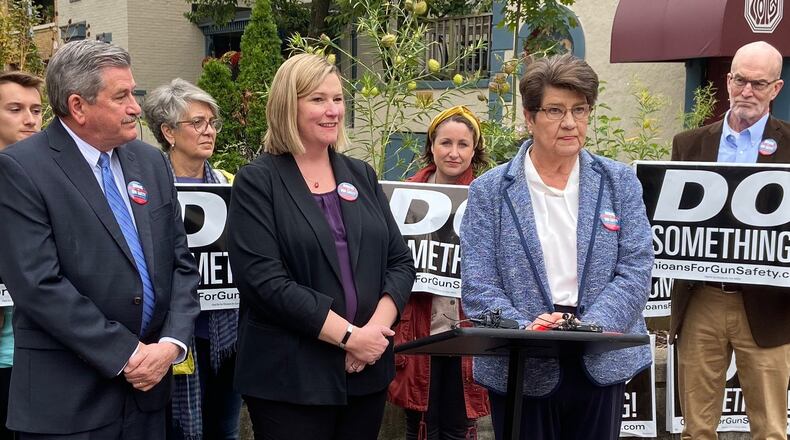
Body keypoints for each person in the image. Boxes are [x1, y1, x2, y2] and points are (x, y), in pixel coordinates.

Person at [0, 40, 201, 439]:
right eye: (122, 96)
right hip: (68, 405)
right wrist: (128, 354)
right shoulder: (21, 169)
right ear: (78, 106)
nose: (136, 108)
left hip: (148, 395)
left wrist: (170, 344)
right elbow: (38, 284)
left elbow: (180, 263)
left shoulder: (150, 162)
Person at [460, 53, 653, 440]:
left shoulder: (618, 182)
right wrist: (526, 331)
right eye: (555, 110)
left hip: (600, 360)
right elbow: (478, 284)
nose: (570, 123)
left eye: (579, 110)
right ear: (529, 117)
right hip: (520, 364)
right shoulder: (490, 191)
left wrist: (591, 328)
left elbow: (636, 268)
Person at [227, 53, 416, 440]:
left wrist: (371, 335)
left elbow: (400, 263)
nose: (333, 110)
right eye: (318, 99)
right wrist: (349, 337)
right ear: (288, 105)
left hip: (366, 373)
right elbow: (264, 282)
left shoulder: (360, 174)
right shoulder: (258, 182)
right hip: (291, 380)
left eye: (338, 99)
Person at [670, 41, 790, 440]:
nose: (746, 91)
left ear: (776, 89)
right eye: (740, 80)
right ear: (727, 81)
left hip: (769, 306)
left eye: (759, 83)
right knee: (696, 430)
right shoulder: (688, 144)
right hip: (702, 298)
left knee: (770, 430)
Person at [142, 78, 241, 440]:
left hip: (226, 335)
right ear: (168, 132)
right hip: (170, 336)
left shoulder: (230, 183)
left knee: (225, 430)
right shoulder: (147, 190)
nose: (208, 131)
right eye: (197, 122)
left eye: (212, 123)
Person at [388, 105, 490, 440]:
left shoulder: (487, 196)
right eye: (446, 142)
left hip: (466, 330)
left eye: (463, 144)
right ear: (431, 146)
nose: (453, 152)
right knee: (419, 425)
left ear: (474, 150)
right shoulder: (404, 195)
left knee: (461, 427)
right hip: (419, 328)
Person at [0, 70, 44, 440]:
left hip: (42, 357)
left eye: (36, 109)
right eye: (15, 109)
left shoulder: (55, 179)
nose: (29, 119)